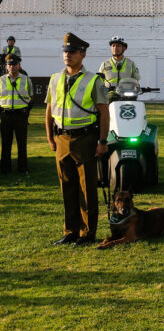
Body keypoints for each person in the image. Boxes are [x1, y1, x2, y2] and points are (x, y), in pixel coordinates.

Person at [45, 33, 109, 246]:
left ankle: (87, 233)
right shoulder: (55, 79)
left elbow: (104, 112)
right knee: (67, 187)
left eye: (72, 52)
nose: (67, 55)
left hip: (85, 139)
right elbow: (48, 110)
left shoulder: (93, 80)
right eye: (65, 52)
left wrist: (102, 141)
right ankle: (70, 231)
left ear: (83, 54)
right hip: (62, 139)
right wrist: (50, 137)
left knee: (86, 189)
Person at [1, 54, 33, 174]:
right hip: (5, 115)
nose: (12, 67)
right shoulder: (1, 80)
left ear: (19, 65)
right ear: (6, 66)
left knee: (22, 143)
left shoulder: (26, 79)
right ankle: (5, 168)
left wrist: (26, 112)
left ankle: (23, 168)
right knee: (5, 143)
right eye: (9, 64)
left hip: (21, 115)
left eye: (14, 64)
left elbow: (32, 96)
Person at [97, 36, 140, 102]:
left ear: (124, 48)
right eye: (113, 46)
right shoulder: (105, 64)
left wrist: (137, 88)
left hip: (126, 96)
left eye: (118, 46)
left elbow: (136, 80)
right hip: (108, 97)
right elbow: (99, 81)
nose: (115, 48)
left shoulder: (131, 63)